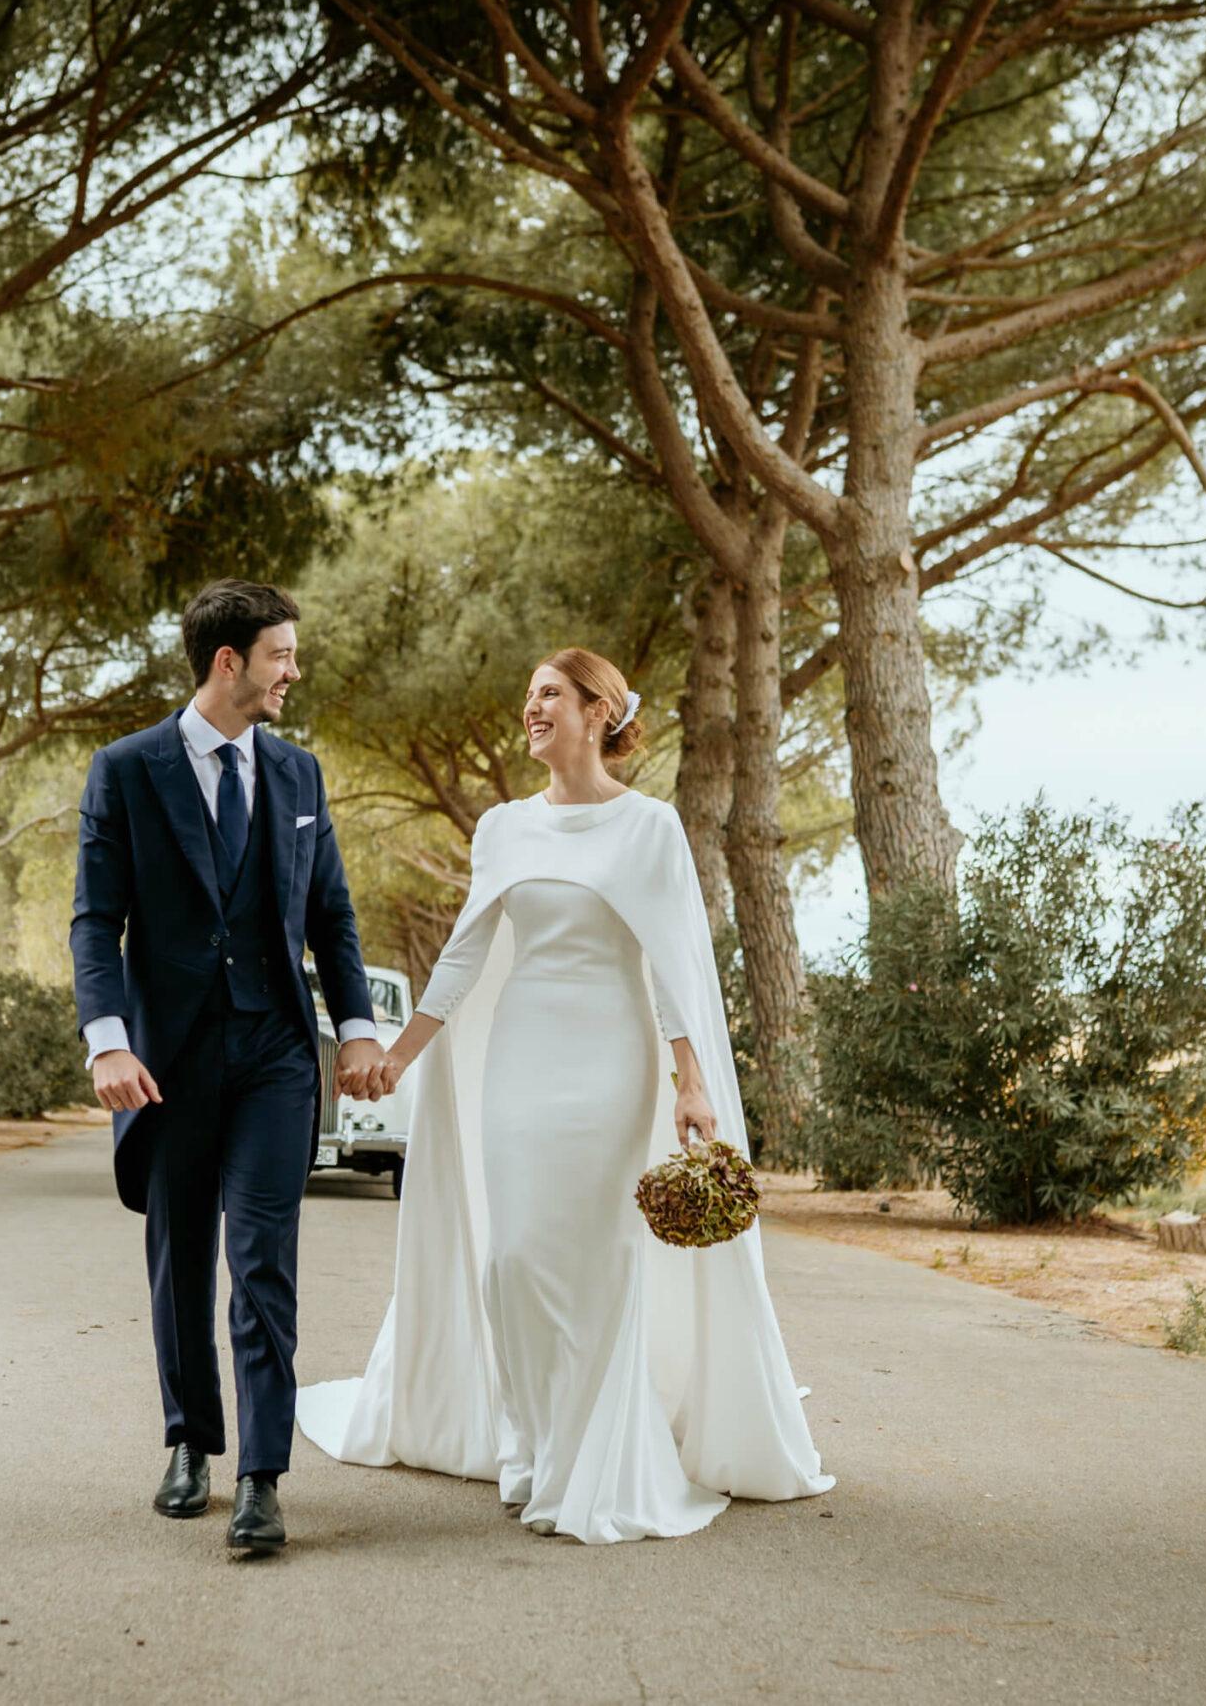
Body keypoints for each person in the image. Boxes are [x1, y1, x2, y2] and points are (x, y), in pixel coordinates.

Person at [295, 648, 832, 1543]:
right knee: (512, 1260)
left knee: (599, 1260)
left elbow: (669, 962)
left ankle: (594, 1456)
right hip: (522, 1057)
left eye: (550, 693)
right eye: (529, 694)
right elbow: (464, 954)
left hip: (611, 1061)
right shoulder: (503, 826)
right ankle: (533, 1443)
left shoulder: (650, 827)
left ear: (598, 712)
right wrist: (399, 1054)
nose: (531, 707)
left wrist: (690, 1079)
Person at [69, 579, 386, 1558]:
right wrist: (107, 1037)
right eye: (282, 653)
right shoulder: (125, 770)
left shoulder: (300, 775)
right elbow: (93, 919)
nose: (294, 670)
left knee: (261, 1259)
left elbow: (328, 916)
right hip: (166, 1058)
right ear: (229, 662)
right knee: (179, 1259)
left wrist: (360, 1026)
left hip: (277, 1053)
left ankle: (260, 1473)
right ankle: (188, 1443)